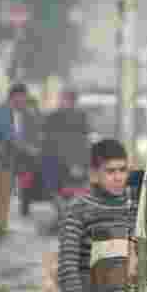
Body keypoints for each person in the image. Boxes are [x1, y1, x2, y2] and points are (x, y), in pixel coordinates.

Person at [58, 139, 132, 292]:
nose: (118, 177)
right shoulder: (79, 209)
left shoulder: (136, 207)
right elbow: (68, 267)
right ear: (94, 174)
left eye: (122, 170)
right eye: (110, 171)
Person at [0, 83, 38, 232]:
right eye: (23, 98)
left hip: (8, 155)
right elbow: (9, 135)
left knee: (5, 190)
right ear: (15, 97)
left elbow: (26, 133)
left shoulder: (23, 113)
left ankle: (0, 223)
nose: (25, 102)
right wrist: (29, 149)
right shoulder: (1, 112)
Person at [40, 88, 90, 224]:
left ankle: (64, 215)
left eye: (65, 98)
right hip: (60, 160)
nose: (63, 101)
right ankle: (63, 214)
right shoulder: (61, 116)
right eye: (63, 98)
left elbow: (83, 139)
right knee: (59, 189)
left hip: (65, 160)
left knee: (65, 189)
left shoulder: (73, 116)